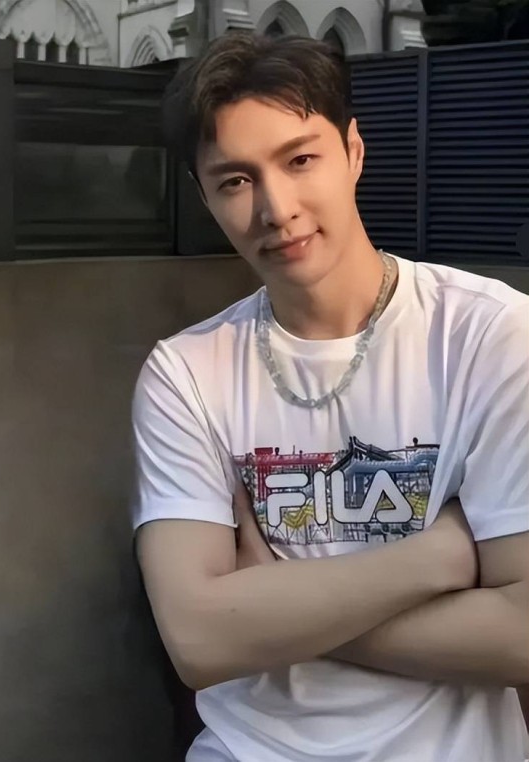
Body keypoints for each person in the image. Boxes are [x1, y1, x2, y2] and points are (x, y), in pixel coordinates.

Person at [131, 32, 529, 762]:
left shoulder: (490, 335)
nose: (276, 208)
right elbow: (197, 640)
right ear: (205, 197)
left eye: (300, 160)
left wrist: (271, 602)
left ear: (353, 152)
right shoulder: (184, 372)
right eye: (236, 180)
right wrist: (439, 559)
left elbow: (522, 635)